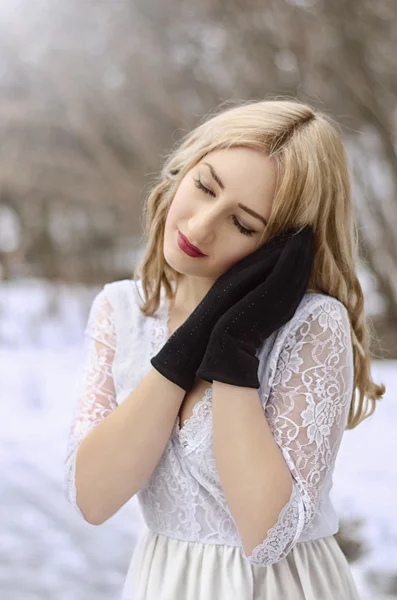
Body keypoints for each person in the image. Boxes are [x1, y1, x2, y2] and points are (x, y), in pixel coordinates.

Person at [63, 98, 386, 599]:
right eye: (205, 186)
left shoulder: (314, 325)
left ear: (282, 248)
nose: (199, 226)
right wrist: (190, 343)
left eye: (244, 224)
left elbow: (267, 535)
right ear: (185, 166)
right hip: (162, 583)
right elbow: (94, 498)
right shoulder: (122, 310)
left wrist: (234, 344)